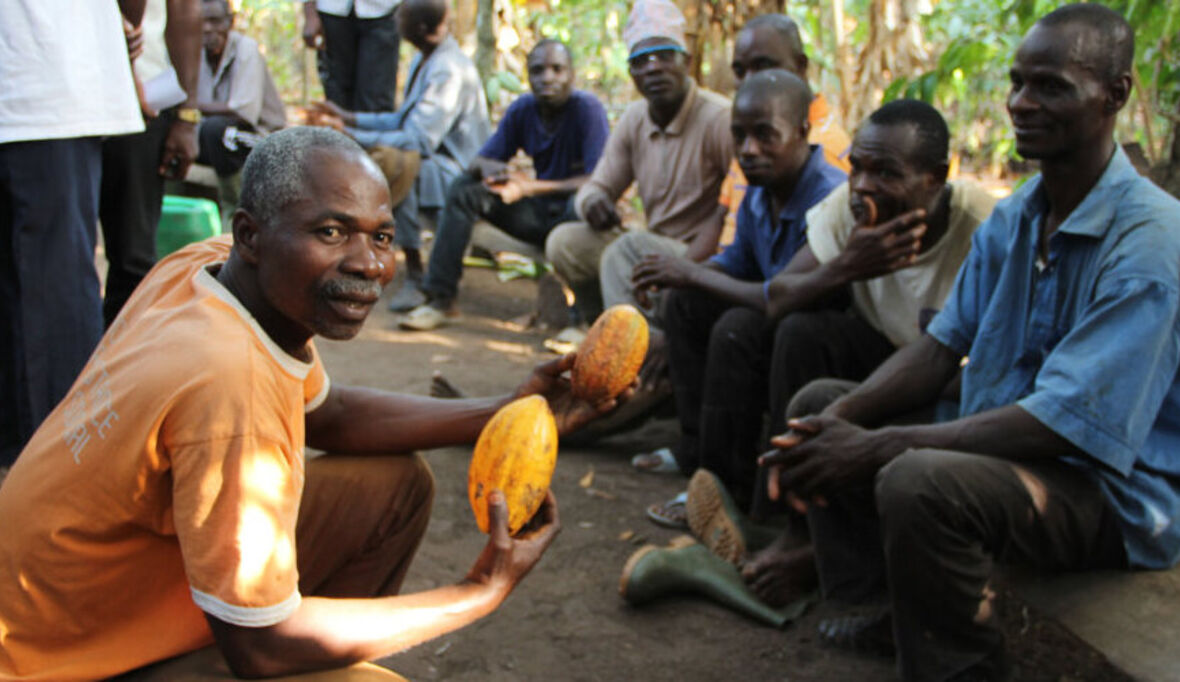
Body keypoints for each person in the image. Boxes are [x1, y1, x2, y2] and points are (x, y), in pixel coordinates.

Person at [0, 127, 622, 680]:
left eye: (381, 235)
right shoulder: (228, 381)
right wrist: (476, 592)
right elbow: (260, 647)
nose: (369, 265)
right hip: (57, 659)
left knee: (393, 487)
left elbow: (332, 416)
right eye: (331, 231)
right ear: (251, 234)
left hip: (98, 592)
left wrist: (512, 406)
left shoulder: (203, 269)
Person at [755, 5, 1180, 680]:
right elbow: (937, 350)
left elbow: (1064, 425)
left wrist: (879, 443)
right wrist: (833, 425)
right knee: (820, 401)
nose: (1021, 102)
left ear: (1116, 94)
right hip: (1021, 449)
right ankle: (882, 602)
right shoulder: (1018, 218)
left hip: (1109, 490)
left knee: (917, 478)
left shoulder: (1151, 244)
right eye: (1017, 82)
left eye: (1051, 87)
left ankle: (965, 669)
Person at [681, 100, 997, 579]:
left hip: (948, 386)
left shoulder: (985, 231)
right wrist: (848, 265)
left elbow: (987, 368)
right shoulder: (848, 210)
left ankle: (819, 554)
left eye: (886, 173)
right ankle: (788, 523)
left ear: (937, 176)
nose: (864, 185)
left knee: (823, 379)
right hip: (880, 358)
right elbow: (781, 294)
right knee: (800, 333)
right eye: (857, 168)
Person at [633, 70, 845, 525]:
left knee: (737, 329)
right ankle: (697, 460)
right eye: (740, 136)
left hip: (814, 339)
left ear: (804, 132)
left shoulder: (830, 198)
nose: (749, 150)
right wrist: (677, 278)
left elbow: (780, 296)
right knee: (686, 304)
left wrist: (689, 270)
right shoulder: (758, 194)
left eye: (765, 135)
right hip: (774, 322)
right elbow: (735, 267)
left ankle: (728, 490)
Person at [0, 0, 145, 467]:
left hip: (40, 82)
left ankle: (64, 468)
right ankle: (49, 466)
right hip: (47, 73)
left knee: (54, 282)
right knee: (53, 277)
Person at [399, 38, 610, 331]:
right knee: (464, 189)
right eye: (538, 70)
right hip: (537, 216)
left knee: (582, 201)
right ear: (528, 75)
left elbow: (596, 180)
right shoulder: (524, 109)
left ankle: (583, 322)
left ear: (571, 75)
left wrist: (529, 188)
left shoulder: (587, 110)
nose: (547, 77)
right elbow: (478, 162)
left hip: (573, 219)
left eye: (556, 69)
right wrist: (499, 174)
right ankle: (441, 300)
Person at [544, 0, 733, 325]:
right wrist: (594, 203)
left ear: (686, 62)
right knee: (565, 241)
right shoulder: (635, 118)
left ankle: (637, 349)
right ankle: (593, 323)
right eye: (641, 61)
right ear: (631, 73)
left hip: (705, 254)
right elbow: (597, 185)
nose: (653, 68)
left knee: (626, 250)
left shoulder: (718, 118)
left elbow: (738, 209)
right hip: (652, 245)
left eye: (664, 56)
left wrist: (690, 262)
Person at [315, 0, 491, 312]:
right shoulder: (425, 60)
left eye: (402, 16)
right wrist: (348, 118)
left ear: (421, 29)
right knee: (395, 161)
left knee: (401, 165)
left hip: (455, 172)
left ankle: (415, 271)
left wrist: (352, 135)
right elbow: (401, 120)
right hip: (430, 160)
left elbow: (418, 140)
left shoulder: (448, 70)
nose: (395, 19)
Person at [100, 0, 201, 326]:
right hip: (57, 103)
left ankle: (121, 367)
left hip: (143, 104)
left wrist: (187, 117)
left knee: (133, 256)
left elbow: (185, 10)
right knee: (57, 253)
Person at [713, 13, 851, 253]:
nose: (749, 80)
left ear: (800, 66)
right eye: (739, 70)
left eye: (763, 66)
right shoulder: (753, 146)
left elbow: (791, 285)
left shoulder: (822, 151)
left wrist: (692, 276)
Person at [196, 0, 287, 211]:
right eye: (202, 22)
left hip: (260, 138)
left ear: (230, 22)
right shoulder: (196, 51)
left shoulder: (246, 49)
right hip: (215, 138)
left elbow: (244, 111)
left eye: (215, 21)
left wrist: (192, 105)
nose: (208, 28)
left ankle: (235, 205)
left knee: (217, 131)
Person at [302, 0, 401, 113]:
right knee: (337, 97)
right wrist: (310, 13)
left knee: (377, 98)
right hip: (332, 13)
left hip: (384, 12)